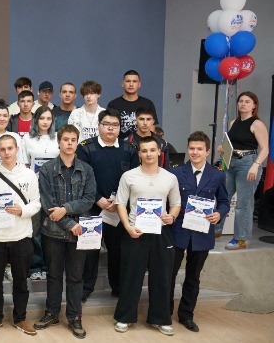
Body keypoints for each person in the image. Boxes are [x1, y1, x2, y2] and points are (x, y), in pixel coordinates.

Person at [114, 137, 181, 336]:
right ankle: (125, 317)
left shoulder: (170, 177)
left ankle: (161, 319)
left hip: (161, 233)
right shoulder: (129, 176)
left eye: (152, 150)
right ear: (139, 154)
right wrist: (127, 227)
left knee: (162, 277)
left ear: (159, 152)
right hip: (135, 232)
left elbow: (176, 204)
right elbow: (120, 203)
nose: (149, 154)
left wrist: (172, 216)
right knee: (130, 277)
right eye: (144, 151)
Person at [33, 125, 96, 339]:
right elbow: (47, 203)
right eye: (65, 139)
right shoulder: (47, 169)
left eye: (73, 140)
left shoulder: (87, 169)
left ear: (77, 142)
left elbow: (89, 199)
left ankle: (75, 317)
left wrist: (66, 209)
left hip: (80, 232)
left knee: (76, 277)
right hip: (53, 232)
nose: (69, 143)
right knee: (53, 275)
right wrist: (69, 223)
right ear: (58, 142)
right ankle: (52, 313)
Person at [168, 131, 230, 332]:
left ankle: (186, 315)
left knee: (193, 277)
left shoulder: (217, 174)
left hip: (202, 233)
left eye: (199, 149)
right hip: (178, 230)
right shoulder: (176, 173)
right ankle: (165, 312)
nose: (195, 152)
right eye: (192, 148)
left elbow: (224, 201)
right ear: (188, 149)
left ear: (207, 151)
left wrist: (219, 214)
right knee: (169, 274)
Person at [0, 135, 40, 335]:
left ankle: (20, 318)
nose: (6, 152)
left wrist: (22, 210)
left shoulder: (29, 175)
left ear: (17, 149)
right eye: (3, 149)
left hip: (21, 236)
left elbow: (36, 203)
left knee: (21, 281)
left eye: (10, 148)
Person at [77, 108, 138, 302]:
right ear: (99, 126)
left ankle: (117, 288)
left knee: (117, 250)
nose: (110, 129)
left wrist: (119, 200)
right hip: (91, 207)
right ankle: (86, 288)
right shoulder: (85, 148)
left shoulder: (129, 149)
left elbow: (135, 179)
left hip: (118, 208)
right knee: (89, 250)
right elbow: (81, 178)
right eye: (106, 125)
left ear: (120, 128)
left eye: (115, 125)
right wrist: (97, 198)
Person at [214, 91, 269, 249]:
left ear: (254, 106)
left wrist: (256, 165)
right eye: (241, 101)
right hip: (230, 162)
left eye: (247, 101)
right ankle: (216, 230)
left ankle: (240, 239)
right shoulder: (234, 122)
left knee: (243, 204)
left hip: (248, 163)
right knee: (223, 197)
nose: (243, 104)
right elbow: (232, 144)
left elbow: (265, 149)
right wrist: (222, 147)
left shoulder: (256, 124)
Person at [22, 106, 59, 282]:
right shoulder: (27, 139)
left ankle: (50, 266)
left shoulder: (57, 138)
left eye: (48, 118)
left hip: (54, 189)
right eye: (42, 118)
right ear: (36, 120)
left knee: (52, 229)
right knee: (35, 229)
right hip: (34, 189)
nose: (45, 122)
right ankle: (35, 266)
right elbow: (25, 165)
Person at [107, 70, 158, 139]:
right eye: (128, 81)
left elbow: (151, 127)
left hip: (142, 144)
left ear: (139, 84)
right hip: (120, 143)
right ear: (122, 84)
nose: (131, 84)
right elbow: (110, 128)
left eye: (134, 81)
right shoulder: (113, 105)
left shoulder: (147, 104)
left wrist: (147, 142)